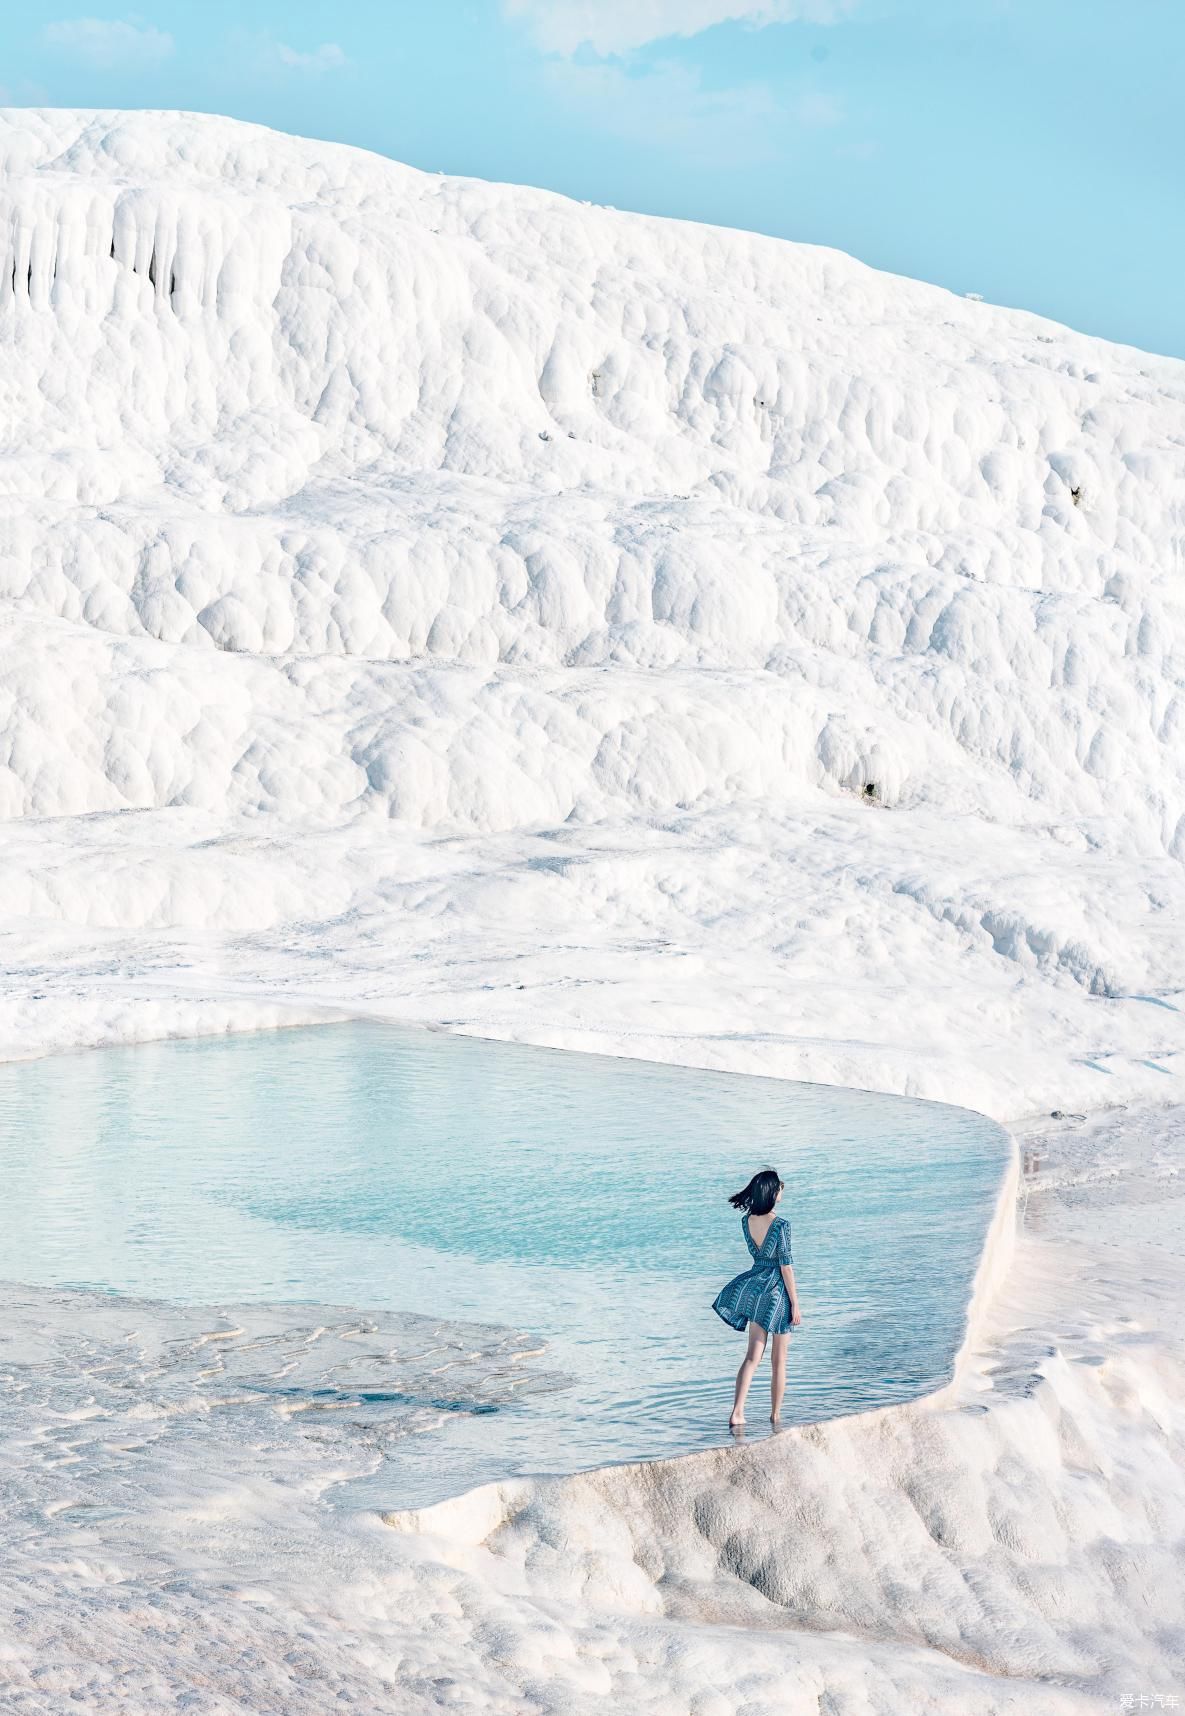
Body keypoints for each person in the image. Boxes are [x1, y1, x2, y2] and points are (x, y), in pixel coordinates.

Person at [711, 1168, 802, 1427]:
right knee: (779, 1361)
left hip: (755, 1289)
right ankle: (775, 1415)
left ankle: (737, 1412)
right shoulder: (781, 1225)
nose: (782, 1191)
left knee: (752, 1357)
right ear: (773, 1193)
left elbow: (759, 1256)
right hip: (776, 1293)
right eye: (780, 1188)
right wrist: (795, 1303)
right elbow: (785, 1266)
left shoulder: (747, 1221)